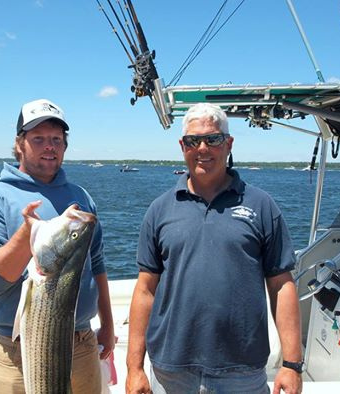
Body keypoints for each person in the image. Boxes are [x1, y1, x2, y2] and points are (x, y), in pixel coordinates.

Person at [126, 103, 303, 394]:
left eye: (213, 139)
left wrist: (292, 364)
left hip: (241, 372)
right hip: (171, 371)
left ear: (229, 143)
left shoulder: (261, 205)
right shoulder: (159, 210)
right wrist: (134, 368)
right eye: (193, 141)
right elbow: (145, 289)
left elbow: (282, 285)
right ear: (182, 146)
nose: (203, 148)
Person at [0, 98, 115, 393]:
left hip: (82, 343)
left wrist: (107, 325)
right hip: (19, 351)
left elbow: (96, 265)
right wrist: (26, 236)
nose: (50, 146)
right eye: (39, 138)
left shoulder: (81, 198)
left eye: (57, 139)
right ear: (20, 143)